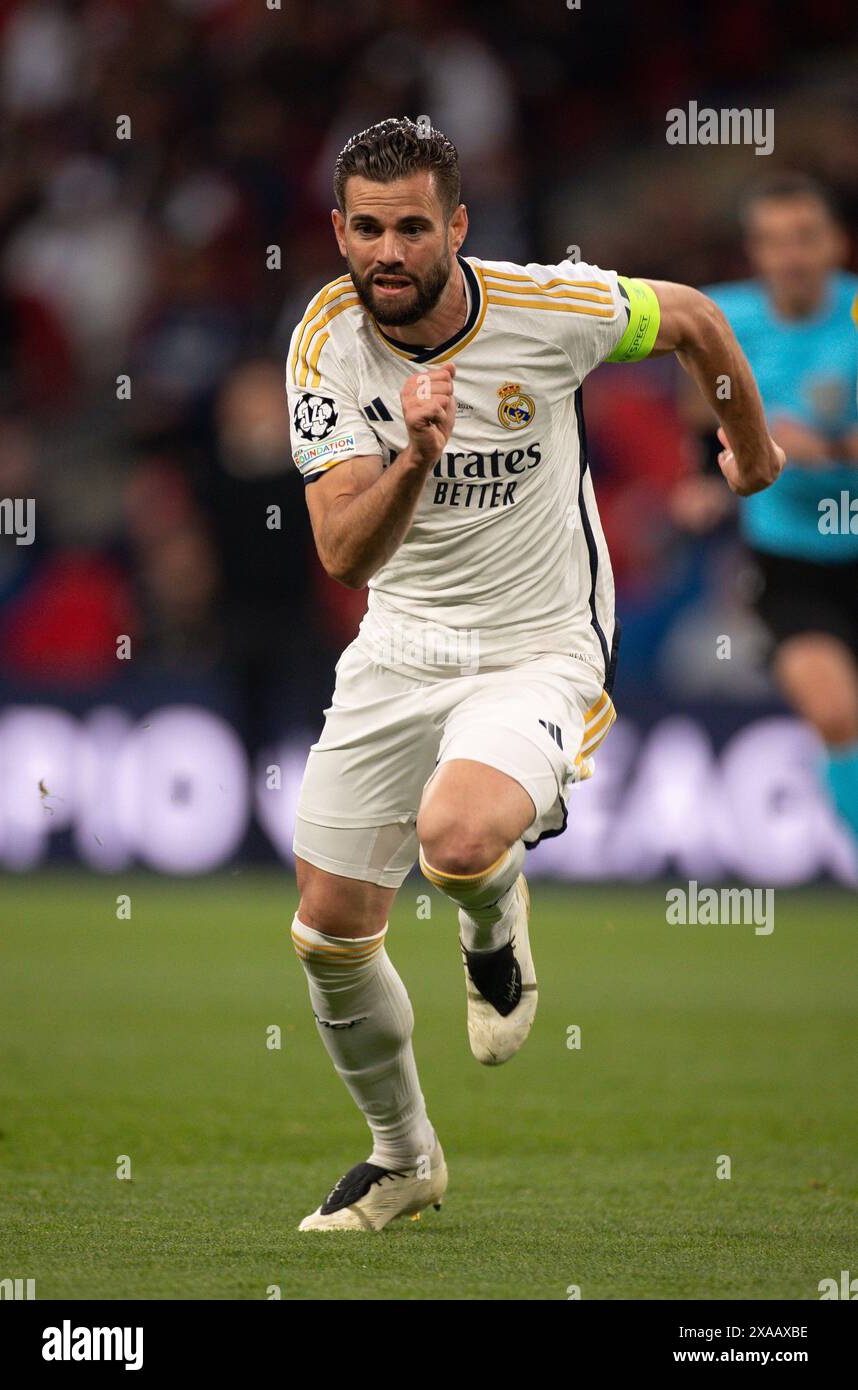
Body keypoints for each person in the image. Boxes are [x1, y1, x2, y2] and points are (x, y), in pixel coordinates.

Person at [285, 117, 783, 1232]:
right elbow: (341, 553)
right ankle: (402, 1156)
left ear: (455, 229)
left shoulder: (551, 307)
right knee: (326, 929)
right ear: (338, 231)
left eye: (413, 227)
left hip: (535, 641)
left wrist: (746, 447)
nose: (388, 252)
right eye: (365, 229)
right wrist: (416, 454)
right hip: (398, 641)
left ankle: (488, 914)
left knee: (457, 839)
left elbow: (696, 318)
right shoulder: (323, 341)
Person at [673, 173, 858, 848]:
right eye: (774, 242)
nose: (792, 256)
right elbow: (700, 409)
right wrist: (702, 478)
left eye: (806, 237)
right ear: (756, 252)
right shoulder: (723, 319)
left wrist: (830, 447)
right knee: (836, 716)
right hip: (788, 560)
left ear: (836, 242)